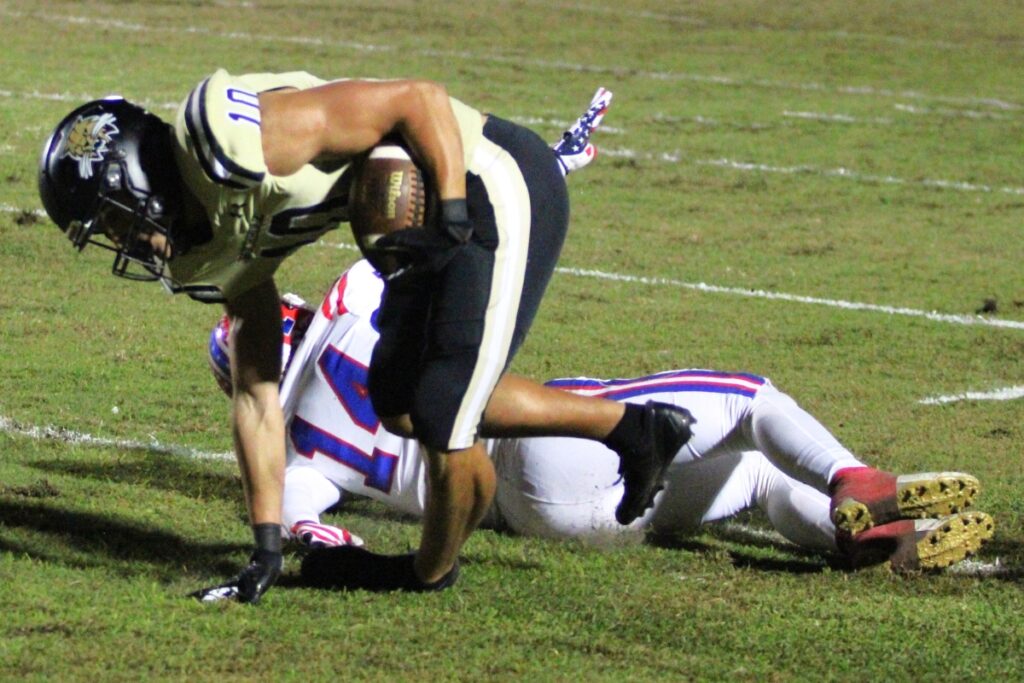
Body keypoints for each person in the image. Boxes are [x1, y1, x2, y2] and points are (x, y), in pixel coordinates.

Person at [38, 74, 696, 602]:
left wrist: (454, 213)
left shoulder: (235, 137)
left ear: (134, 171)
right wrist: (265, 544)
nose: (123, 241)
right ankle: (637, 430)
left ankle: (427, 575)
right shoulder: (198, 252)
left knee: (442, 409)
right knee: (399, 403)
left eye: (114, 220)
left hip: (485, 180)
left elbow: (417, 100)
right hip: (408, 231)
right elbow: (257, 394)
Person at [208, 261, 994, 586]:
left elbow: (313, 532)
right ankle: (857, 481)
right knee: (751, 400)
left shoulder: (297, 457)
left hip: (536, 519)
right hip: (549, 440)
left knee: (752, 477)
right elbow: (436, 238)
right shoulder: (350, 307)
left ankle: (867, 539)